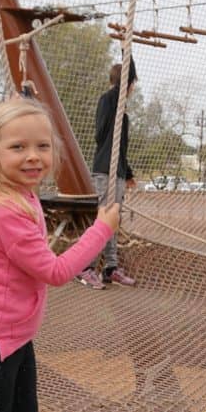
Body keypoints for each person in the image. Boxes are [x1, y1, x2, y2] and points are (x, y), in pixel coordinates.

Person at [0, 99, 119, 412]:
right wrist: (101, 230)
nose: (33, 156)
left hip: (16, 336)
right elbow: (57, 271)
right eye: (17, 146)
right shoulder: (6, 211)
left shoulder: (24, 197)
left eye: (42, 146)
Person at [76, 58, 138, 289]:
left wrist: (128, 173)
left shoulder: (124, 116)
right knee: (104, 220)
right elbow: (103, 138)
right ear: (126, 84)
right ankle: (85, 267)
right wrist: (126, 48)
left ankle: (110, 268)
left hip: (118, 171)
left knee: (114, 221)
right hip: (105, 170)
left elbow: (120, 150)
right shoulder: (109, 100)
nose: (133, 88)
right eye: (132, 83)